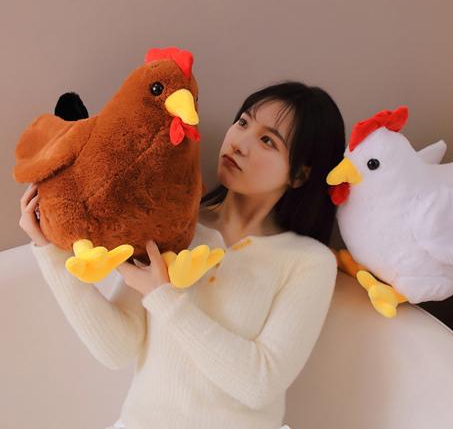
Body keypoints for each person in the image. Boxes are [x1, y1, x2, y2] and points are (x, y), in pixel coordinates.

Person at [19, 80, 345, 429]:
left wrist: (164, 297)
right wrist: (50, 253)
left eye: (268, 141)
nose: (240, 142)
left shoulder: (308, 261)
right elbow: (117, 349)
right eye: (243, 122)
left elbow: (258, 384)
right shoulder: (173, 225)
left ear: (300, 174)